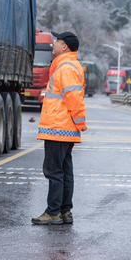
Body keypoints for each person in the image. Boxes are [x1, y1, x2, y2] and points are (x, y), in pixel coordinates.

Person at [31, 31, 87, 225]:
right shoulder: (69, 65)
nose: (53, 44)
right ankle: (64, 211)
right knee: (64, 171)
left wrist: (80, 122)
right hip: (64, 128)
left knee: (54, 171)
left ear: (64, 47)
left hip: (58, 127)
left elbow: (74, 98)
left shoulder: (65, 67)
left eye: (57, 42)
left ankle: (53, 212)